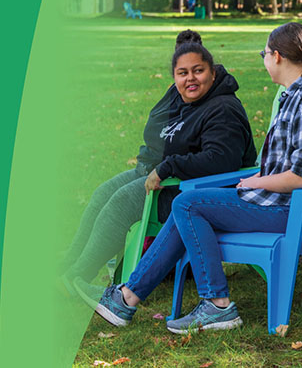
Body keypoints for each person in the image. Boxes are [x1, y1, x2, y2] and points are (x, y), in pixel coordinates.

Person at [94, 22, 302, 334]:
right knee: (188, 205)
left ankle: (216, 304)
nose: (264, 59)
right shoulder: (293, 95)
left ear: (276, 56)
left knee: (188, 205)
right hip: (284, 203)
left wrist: (254, 183)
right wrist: (258, 178)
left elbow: (301, 178)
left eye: (264, 53)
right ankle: (127, 297)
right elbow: (284, 165)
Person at [60, 30, 258, 304]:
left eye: (198, 71)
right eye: (182, 73)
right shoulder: (183, 94)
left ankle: (77, 276)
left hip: (194, 188)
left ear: (212, 72)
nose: (190, 78)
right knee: (102, 194)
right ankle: (68, 263)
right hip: (161, 173)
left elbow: (220, 161)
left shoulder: (223, 109)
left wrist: (168, 166)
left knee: (121, 203)